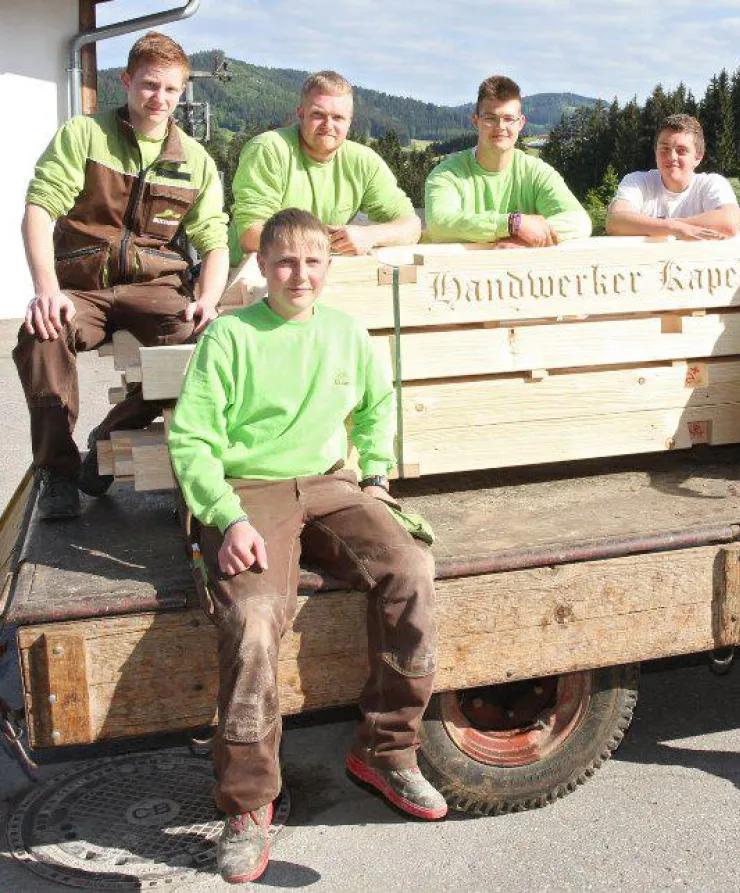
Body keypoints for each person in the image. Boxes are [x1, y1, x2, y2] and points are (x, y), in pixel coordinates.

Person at [168, 209, 445, 884]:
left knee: (412, 566)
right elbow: (192, 438)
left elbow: (379, 403)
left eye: (313, 261)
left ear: (329, 267)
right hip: (249, 488)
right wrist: (226, 518)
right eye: (285, 261)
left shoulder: (347, 333)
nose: (300, 274)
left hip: (330, 483)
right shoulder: (231, 335)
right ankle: (248, 802)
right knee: (254, 616)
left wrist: (376, 475)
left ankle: (386, 749)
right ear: (262, 267)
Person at [14, 31, 229, 519]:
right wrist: (46, 292)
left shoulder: (195, 161)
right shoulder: (83, 136)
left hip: (154, 288)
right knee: (40, 336)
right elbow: (38, 208)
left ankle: (109, 437)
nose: (161, 99)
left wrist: (208, 299)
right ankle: (57, 472)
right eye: (150, 85)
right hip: (81, 286)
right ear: (126, 80)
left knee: (207, 344)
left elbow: (216, 241)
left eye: (172, 90)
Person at [229, 70, 421, 263]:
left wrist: (370, 235)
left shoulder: (364, 161)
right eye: (318, 115)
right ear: (301, 114)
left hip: (318, 274)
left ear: (349, 122)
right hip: (249, 275)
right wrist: (324, 242)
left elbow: (411, 227)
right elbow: (251, 235)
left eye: (338, 117)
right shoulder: (268, 149)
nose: (328, 125)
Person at [424, 75, 590, 245]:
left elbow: (579, 222)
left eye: (509, 119)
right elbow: (440, 225)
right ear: (475, 121)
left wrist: (522, 239)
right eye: (490, 118)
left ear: (521, 123)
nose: (500, 127)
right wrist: (512, 224)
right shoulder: (446, 174)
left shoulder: (537, 172)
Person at [605, 113, 740, 240]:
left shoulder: (712, 183)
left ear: (698, 158)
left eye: (681, 151)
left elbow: (730, 222)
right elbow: (615, 221)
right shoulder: (636, 181)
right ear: (656, 153)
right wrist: (674, 228)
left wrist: (659, 226)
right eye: (664, 149)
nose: (672, 157)